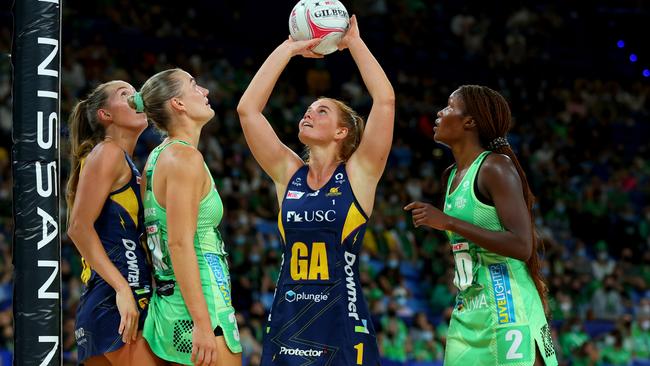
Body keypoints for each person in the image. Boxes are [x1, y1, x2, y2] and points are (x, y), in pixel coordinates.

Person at [237, 15, 395, 365]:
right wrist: (289, 48)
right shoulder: (288, 173)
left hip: (341, 322)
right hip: (288, 319)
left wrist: (355, 43)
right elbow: (247, 111)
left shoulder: (360, 173)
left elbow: (384, 101)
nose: (308, 114)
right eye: (308, 110)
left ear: (342, 133)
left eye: (321, 111)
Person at [404, 85, 558, 365]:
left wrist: (449, 222)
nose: (440, 112)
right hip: (469, 308)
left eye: (449, 106)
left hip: (509, 307)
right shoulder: (451, 175)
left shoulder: (495, 167)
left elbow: (523, 245)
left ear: (470, 121)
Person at [129, 68, 242, 366]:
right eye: (193, 85)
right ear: (178, 104)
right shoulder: (185, 158)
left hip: (168, 302)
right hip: (201, 301)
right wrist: (202, 324)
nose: (204, 91)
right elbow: (179, 244)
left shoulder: (156, 157)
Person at [66, 81, 161, 365]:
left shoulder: (128, 164)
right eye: (124, 94)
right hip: (114, 299)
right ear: (105, 115)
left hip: (115, 299)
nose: (136, 97)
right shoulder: (108, 152)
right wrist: (122, 289)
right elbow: (78, 227)